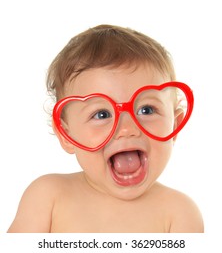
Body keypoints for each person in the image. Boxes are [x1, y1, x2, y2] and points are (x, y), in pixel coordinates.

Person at [7, 24, 204, 233]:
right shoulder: (48, 197)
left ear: (174, 124)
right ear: (66, 135)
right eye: (102, 114)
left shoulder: (179, 213)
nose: (127, 128)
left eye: (146, 110)